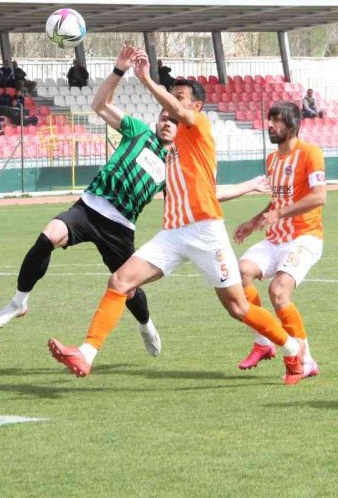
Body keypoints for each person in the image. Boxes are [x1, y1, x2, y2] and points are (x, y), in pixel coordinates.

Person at [47, 54, 303, 379]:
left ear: (196, 106)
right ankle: (86, 354)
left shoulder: (200, 126)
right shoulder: (170, 149)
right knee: (120, 281)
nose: (171, 109)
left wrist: (146, 79)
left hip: (206, 232)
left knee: (238, 307)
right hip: (173, 233)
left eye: (179, 98)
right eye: (170, 102)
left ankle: (292, 349)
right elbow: (207, 187)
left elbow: (187, 132)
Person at [0, 45, 178, 353]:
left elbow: (179, 204)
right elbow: (99, 105)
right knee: (48, 236)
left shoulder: (174, 165)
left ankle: (146, 325)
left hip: (121, 228)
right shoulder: (139, 132)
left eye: (174, 121)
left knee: (128, 287)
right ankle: (19, 302)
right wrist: (118, 70)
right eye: (164, 118)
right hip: (89, 208)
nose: (167, 123)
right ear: (156, 121)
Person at [232, 101, 326, 384]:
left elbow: (319, 196)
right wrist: (254, 222)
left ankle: (305, 361)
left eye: (276, 121)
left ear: (292, 125)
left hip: (305, 237)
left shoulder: (310, 153)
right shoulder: (272, 159)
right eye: (269, 120)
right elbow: (277, 202)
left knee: (278, 291)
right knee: (239, 273)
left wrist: (280, 214)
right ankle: (263, 342)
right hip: (276, 238)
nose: (270, 126)